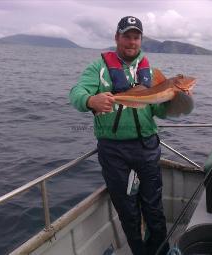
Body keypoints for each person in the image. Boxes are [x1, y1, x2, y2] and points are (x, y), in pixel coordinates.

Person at [69, 16, 193, 255]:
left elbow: (160, 111)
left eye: (136, 37)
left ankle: (159, 251)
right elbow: (77, 92)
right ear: (117, 38)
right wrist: (90, 100)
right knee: (127, 209)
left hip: (147, 146)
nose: (131, 41)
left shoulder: (152, 72)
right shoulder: (99, 67)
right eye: (126, 36)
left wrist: (180, 100)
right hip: (113, 151)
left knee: (153, 207)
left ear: (141, 40)